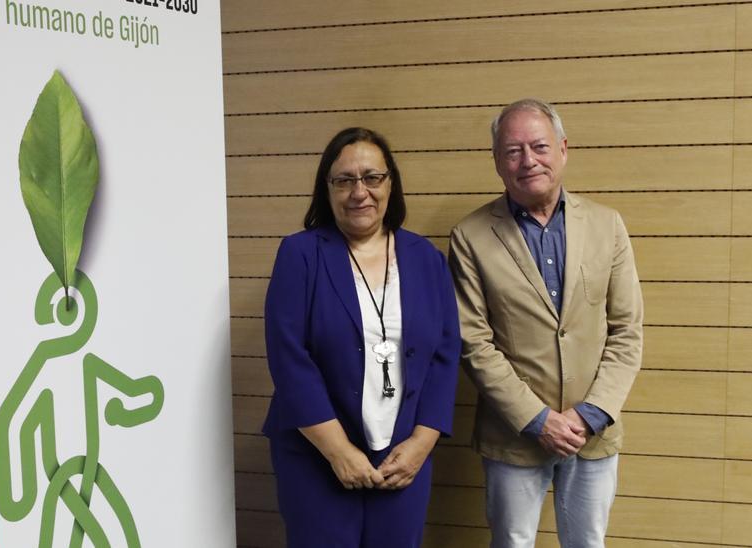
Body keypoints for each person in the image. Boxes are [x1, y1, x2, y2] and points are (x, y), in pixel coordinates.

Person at [447, 99, 644, 548]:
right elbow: (473, 343)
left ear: (563, 149)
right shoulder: (470, 235)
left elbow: (627, 331)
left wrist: (589, 415)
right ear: (497, 161)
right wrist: (538, 420)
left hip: (593, 434)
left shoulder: (607, 225)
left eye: (539, 146)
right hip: (513, 437)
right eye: (513, 151)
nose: (528, 160)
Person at [262, 127, 461, 547]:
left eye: (372, 178)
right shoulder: (300, 254)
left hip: (403, 458)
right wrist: (337, 450)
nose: (359, 192)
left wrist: (421, 444)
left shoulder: (427, 260)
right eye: (344, 180)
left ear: (391, 184)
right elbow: (288, 356)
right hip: (316, 457)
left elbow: (445, 355)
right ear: (327, 188)